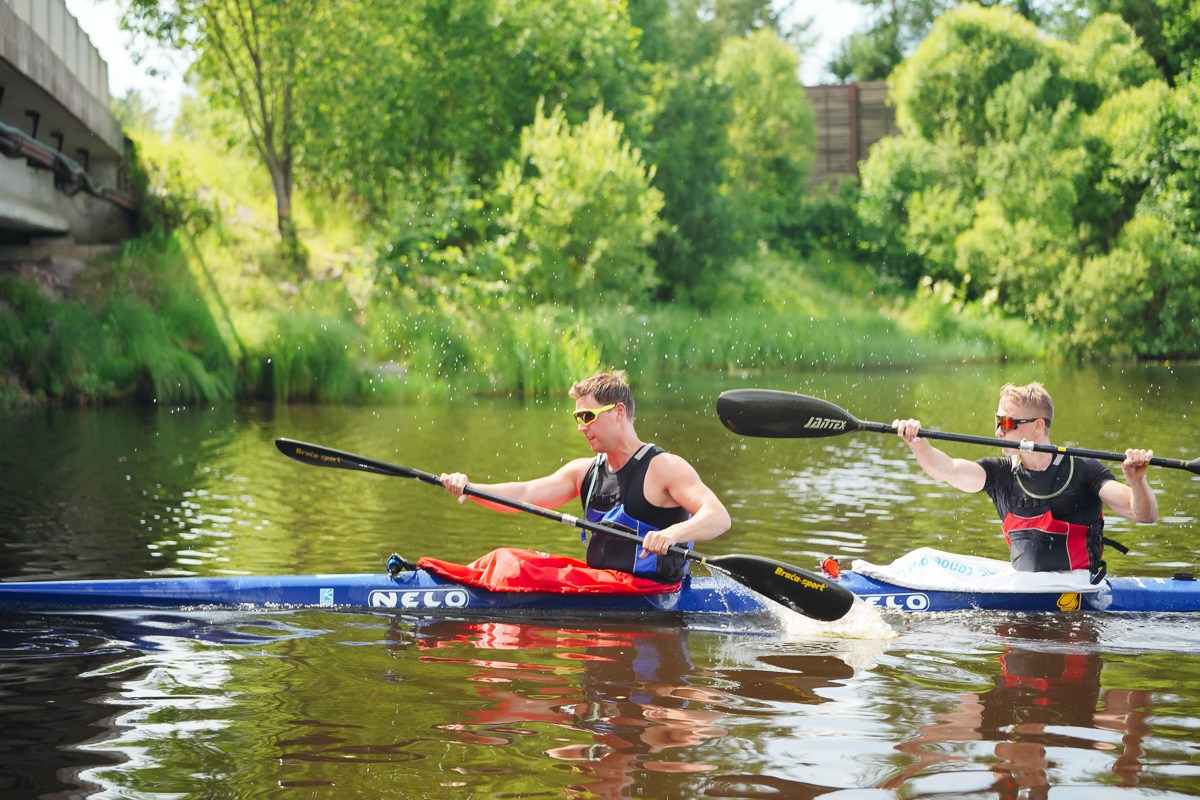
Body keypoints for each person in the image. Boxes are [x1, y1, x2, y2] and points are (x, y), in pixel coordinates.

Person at [438, 370, 731, 583]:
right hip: (600, 586)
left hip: (649, 592)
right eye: (577, 418)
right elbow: (525, 495)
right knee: (507, 558)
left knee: (516, 569)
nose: (581, 427)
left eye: (587, 417)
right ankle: (457, 579)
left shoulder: (664, 467)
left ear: (618, 412)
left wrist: (673, 534)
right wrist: (471, 488)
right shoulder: (585, 472)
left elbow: (718, 516)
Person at [892, 381, 1158, 579]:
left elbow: (1143, 514)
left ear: (1037, 426)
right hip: (1025, 593)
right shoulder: (1000, 474)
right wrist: (919, 444)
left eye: (1006, 423)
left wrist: (1137, 481)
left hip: (1079, 592)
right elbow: (947, 470)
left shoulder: (1085, 470)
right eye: (997, 422)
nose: (998, 432)